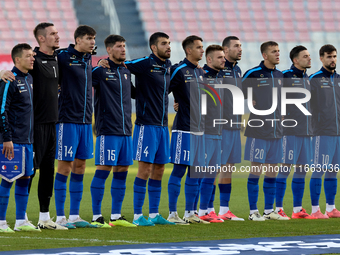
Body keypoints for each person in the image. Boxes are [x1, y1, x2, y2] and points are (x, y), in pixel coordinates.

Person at [124, 32, 174, 226]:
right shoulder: (145, 63)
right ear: (154, 48)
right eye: (164, 43)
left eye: (169, 43)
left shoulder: (168, 66)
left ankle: (153, 214)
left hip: (163, 126)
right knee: (144, 169)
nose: (168, 46)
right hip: (146, 125)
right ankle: (137, 216)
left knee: (159, 169)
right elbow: (122, 68)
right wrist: (134, 92)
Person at [90, 34, 136, 228]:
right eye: (119, 46)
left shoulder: (126, 72)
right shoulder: (100, 71)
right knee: (103, 170)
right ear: (109, 50)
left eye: (124, 46)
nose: (123, 49)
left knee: (122, 171)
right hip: (108, 130)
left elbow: (136, 94)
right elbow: (82, 85)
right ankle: (96, 216)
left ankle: (116, 216)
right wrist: (98, 64)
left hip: (126, 130)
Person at [54, 25, 97, 228]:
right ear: (78, 40)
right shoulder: (62, 56)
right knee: (64, 167)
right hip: (67, 121)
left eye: (94, 38)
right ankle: (60, 217)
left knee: (80, 167)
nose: (92, 42)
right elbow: (38, 61)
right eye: (89, 38)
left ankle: (74, 216)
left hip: (86, 122)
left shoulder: (89, 59)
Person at [25, 23, 67, 230]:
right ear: (41, 39)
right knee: (29, 172)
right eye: (52, 34)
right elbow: (14, 72)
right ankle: (21, 218)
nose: (57, 37)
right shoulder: (33, 59)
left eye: (57, 33)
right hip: (36, 125)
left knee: (49, 172)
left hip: (53, 124)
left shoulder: (58, 59)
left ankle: (44, 218)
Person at [242, 41, 287, 221]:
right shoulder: (253, 74)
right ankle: (253, 212)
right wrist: (249, 98)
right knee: (256, 170)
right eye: (273, 52)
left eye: (278, 51)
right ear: (264, 55)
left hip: (277, 132)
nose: (277, 54)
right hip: (258, 131)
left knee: (272, 171)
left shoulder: (280, 75)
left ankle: (269, 211)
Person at [167, 35, 209, 224]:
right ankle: (172, 213)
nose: (202, 50)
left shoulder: (200, 72)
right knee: (179, 170)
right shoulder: (178, 70)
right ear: (189, 50)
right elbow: (161, 90)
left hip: (200, 129)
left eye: (203, 47)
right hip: (184, 128)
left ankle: (190, 213)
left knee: (196, 172)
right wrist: (175, 104)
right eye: (199, 47)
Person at [0, 43, 40, 232]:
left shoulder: (30, 78)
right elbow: (2, 111)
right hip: (13, 141)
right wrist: (7, 138)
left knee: (25, 178)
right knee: (8, 179)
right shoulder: (9, 80)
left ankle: (20, 221)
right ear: (17, 59)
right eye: (29, 56)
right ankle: (0, 222)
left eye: (33, 55)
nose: (33, 58)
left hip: (28, 141)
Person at [275, 46, 316, 220]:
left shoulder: (307, 78)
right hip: (289, 131)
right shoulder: (285, 76)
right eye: (305, 56)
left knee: (302, 169)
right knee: (285, 168)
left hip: (306, 131)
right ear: (295, 60)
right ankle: (277, 209)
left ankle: (297, 209)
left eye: (309, 56)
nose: (309, 59)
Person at [309, 44, 340, 219]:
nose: (333, 59)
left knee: (333, 170)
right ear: (321, 58)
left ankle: (331, 208)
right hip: (322, 132)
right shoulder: (314, 79)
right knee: (319, 169)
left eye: (334, 56)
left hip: (338, 133)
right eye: (329, 56)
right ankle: (315, 210)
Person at [215, 36, 244, 221]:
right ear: (225, 50)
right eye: (236, 46)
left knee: (228, 168)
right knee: (214, 168)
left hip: (235, 126)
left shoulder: (238, 70)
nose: (240, 49)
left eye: (241, 46)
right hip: (220, 127)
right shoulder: (217, 69)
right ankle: (205, 210)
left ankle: (224, 210)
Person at [196, 45, 225, 223]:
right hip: (205, 132)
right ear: (209, 59)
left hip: (218, 132)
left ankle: (207, 209)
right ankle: (199, 211)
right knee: (203, 173)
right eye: (220, 57)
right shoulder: (201, 75)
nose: (224, 60)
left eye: (223, 57)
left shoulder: (220, 77)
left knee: (212, 174)